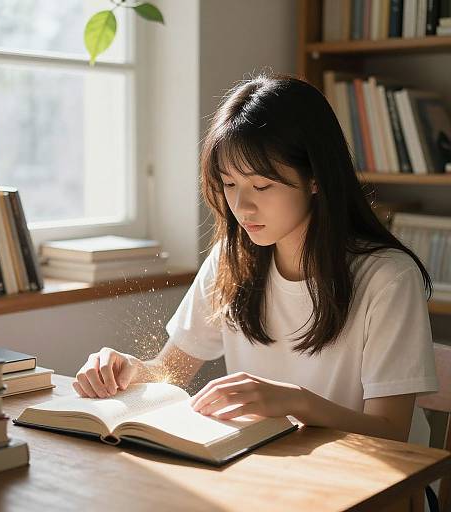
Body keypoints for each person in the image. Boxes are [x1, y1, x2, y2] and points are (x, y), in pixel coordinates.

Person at [73, 72, 438, 449]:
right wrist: (132, 369)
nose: (242, 207)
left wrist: (297, 402)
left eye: (261, 186)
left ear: (315, 178)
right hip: (272, 468)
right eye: (229, 184)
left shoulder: (387, 278)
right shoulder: (232, 259)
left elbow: (392, 432)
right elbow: (171, 370)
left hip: (381, 488)